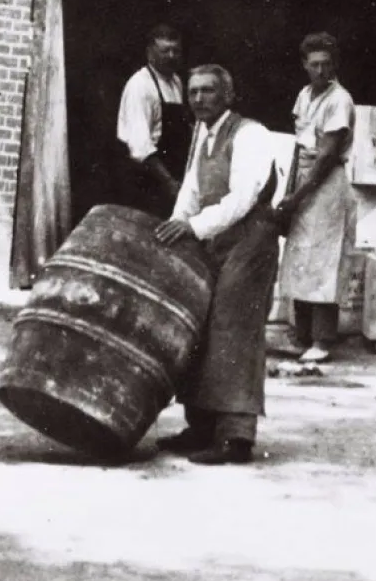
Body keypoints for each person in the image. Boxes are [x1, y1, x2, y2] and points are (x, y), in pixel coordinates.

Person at [152, 65, 281, 466]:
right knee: (201, 324)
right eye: (193, 92)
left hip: (250, 242)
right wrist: (177, 223)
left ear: (228, 95)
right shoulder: (203, 134)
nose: (199, 98)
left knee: (233, 330)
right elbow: (191, 190)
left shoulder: (249, 134)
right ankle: (201, 426)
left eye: (208, 91)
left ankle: (236, 436)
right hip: (217, 241)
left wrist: (193, 227)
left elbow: (243, 197)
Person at [275, 33, 356, 364]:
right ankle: (302, 334)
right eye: (314, 65)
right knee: (299, 258)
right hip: (303, 182)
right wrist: (289, 190)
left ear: (334, 65)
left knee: (323, 261)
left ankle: (322, 339)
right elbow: (299, 147)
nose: (320, 71)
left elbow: (326, 157)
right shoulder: (304, 95)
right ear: (304, 65)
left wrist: (298, 197)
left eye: (326, 64)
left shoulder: (340, 100)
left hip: (326, 185)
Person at [115, 24, 189, 215]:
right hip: (148, 179)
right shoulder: (140, 86)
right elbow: (140, 147)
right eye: (165, 51)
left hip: (171, 175)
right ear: (150, 53)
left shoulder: (176, 81)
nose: (171, 56)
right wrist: (169, 182)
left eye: (176, 51)